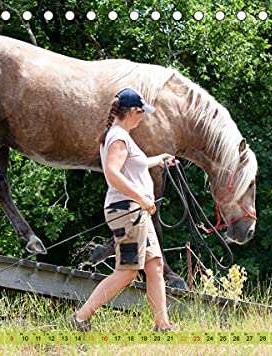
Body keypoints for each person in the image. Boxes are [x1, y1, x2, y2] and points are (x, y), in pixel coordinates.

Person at [70, 88, 176, 332]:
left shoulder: (120, 135)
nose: (142, 118)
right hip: (129, 210)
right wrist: (141, 197)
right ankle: (81, 318)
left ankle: (162, 325)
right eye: (141, 113)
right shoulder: (118, 137)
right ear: (131, 112)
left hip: (136, 210)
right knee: (127, 271)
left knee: (155, 265)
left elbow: (133, 167)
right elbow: (112, 173)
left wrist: (158, 159)